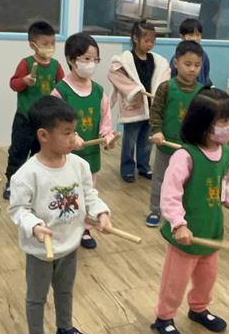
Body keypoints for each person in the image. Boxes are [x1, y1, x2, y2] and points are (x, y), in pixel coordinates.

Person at [8, 95, 112, 334]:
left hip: (70, 245)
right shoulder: (27, 174)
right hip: (40, 250)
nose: (73, 138)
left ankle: (64, 328)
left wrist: (101, 213)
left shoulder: (79, 166)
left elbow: (89, 195)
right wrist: (34, 226)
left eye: (74, 132)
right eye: (67, 133)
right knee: (36, 297)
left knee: (65, 291)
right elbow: (18, 209)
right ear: (43, 135)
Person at [151, 88, 229, 334]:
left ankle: (199, 308)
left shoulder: (225, 154)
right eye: (223, 121)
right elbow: (170, 193)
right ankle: (164, 317)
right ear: (203, 124)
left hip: (211, 230)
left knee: (207, 277)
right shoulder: (185, 156)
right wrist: (178, 224)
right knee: (175, 281)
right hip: (186, 234)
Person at [52, 32, 117, 249]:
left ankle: (85, 229)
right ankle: (63, 228)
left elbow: (105, 119)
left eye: (95, 59)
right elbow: (54, 124)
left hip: (90, 156)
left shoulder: (98, 91)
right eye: (86, 59)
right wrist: (71, 137)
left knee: (88, 193)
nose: (91, 64)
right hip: (66, 157)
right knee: (65, 193)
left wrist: (107, 136)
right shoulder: (60, 92)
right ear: (71, 60)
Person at [146, 40, 205, 227]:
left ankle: (180, 213)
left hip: (190, 149)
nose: (192, 69)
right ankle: (155, 210)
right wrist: (157, 131)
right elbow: (156, 112)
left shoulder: (202, 92)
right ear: (176, 63)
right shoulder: (166, 87)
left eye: (197, 65)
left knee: (186, 182)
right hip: (166, 146)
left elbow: (205, 119)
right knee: (160, 179)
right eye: (188, 64)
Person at [4, 21, 64, 200]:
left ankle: (35, 182)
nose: (50, 47)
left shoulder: (56, 66)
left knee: (40, 153)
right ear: (33, 45)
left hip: (45, 120)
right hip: (25, 118)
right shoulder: (26, 63)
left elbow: (63, 87)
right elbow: (13, 84)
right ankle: (12, 182)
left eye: (53, 43)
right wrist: (24, 81)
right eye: (45, 43)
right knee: (18, 151)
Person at [108, 21, 168, 183]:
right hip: (134, 108)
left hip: (152, 107)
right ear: (135, 38)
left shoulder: (157, 61)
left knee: (147, 140)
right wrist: (134, 90)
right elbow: (114, 75)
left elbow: (163, 77)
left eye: (153, 41)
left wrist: (158, 95)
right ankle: (127, 169)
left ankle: (144, 166)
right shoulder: (124, 60)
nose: (150, 45)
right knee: (130, 141)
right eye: (147, 41)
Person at [170, 18, 212, 86]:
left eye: (198, 35)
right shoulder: (178, 56)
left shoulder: (204, 55)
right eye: (191, 35)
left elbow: (206, 76)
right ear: (182, 36)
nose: (195, 38)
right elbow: (172, 77)